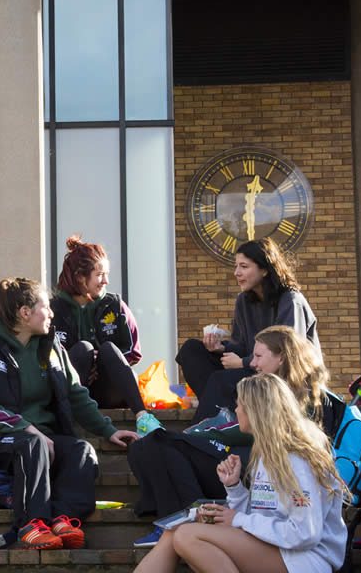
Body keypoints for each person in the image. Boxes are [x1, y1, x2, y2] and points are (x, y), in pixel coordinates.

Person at [0, 277, 139, 549]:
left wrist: (108, 430)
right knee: (32, 444)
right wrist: (27, 428)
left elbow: (76, 393)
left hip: (44, 440)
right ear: (25, 313)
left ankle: (62, 519)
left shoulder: (52, 346)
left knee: (82, 451)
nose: (52, 313)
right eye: (46, 307)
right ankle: (31, 525)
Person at [129, 325, 338, 547]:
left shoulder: (306, 397)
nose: (253, 363)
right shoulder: (264, 388)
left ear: (282, 358)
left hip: (257, 473)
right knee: (147, 446)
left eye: (258, 356)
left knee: (161, 443)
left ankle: (185, 520)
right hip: (241, 465)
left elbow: (252, 430)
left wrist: (197, 434)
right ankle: (183, 518)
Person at [133, 372, 348, 573]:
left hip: (307, 558)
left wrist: (238, 520)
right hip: (281, 548)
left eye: (239, 405)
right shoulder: (267, 453)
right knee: (176, 530)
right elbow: (263, 517)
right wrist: (234, 487)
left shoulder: (297, 459)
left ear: (256, 411)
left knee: (188, 537)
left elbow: (305, 534)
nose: (235, 411)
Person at [177, 237, 320, 422]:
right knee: (191, 350)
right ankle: (222, 414)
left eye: (244, 266)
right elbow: (242, 346)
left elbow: (286, 355)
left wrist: (244, 363)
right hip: (255, 369)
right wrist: (221, 348)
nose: (237, 273)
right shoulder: (243, 301)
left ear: (265, 269)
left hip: (287, 380)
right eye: (236, 266)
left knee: (221, 380)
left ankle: (205, 427)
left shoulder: (291, 301)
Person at [51, 235, 162, 437]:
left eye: (107, 274)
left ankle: (143, 417)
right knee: (83, 349)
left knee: (109, 349)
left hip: (108, 390)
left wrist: (100, 362)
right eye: (100, 274)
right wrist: (85, 361)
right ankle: (65, 419)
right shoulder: (53, 309)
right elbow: (44, 357)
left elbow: (133, 351)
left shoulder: (115, 305)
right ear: (80, 276)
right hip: (73, 390)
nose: (106, 281)